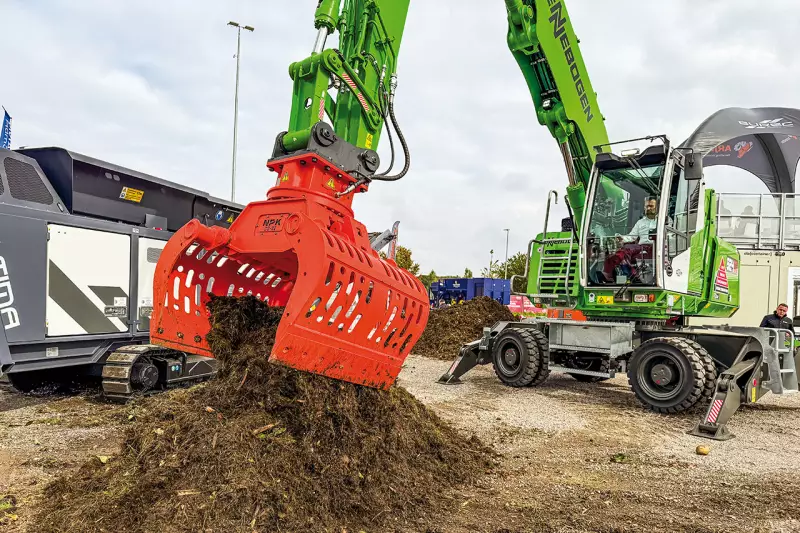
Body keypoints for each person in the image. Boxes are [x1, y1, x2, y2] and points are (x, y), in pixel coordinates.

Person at [600, 197, 659, 283]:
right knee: (615, 252)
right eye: (646, 206)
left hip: (657, 247)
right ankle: (609, 273)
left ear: (657, 207)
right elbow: (632, 236)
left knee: (627, 249)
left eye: (651, 206)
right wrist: (621, 238)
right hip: (642, 247)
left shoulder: (664, 221)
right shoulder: (640, 222)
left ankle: (630, 274)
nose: (648, 208)